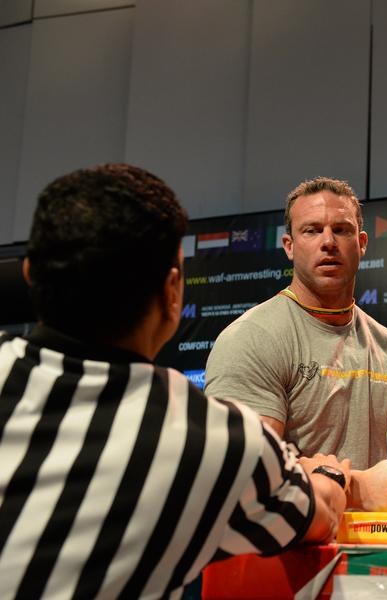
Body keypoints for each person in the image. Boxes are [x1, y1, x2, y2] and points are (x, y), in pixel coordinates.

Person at [0, 164, 348, 598]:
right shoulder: (221, 442)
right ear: (172, 293)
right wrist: (332, 473)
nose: (328, 242)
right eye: (312, 230)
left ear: (31, 274)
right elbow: (318, 513)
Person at [205, 177, 387, 510]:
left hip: (373, 551)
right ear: (289, 245)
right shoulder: (253, 338)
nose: (328, 242)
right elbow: (247, 467)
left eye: (341, 230)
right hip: (288, 555)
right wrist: (353, 486)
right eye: (311, 230)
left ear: (361, 243)